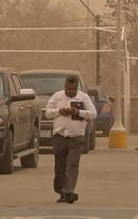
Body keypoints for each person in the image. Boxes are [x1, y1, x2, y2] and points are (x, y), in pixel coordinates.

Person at [45, 75, 97, 204]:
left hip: (76, 138)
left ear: (77, 87)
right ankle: (61, 190)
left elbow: (93, 114)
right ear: (65, 86)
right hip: (59, 137)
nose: (71, 91)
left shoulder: (84, 97)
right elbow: (47, 113)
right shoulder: (57, 96)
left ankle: (69, 192)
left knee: (72, 165)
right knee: (60, 166)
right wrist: (60, 111)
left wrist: (78, 112)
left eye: (73, 89)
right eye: (68, 89)